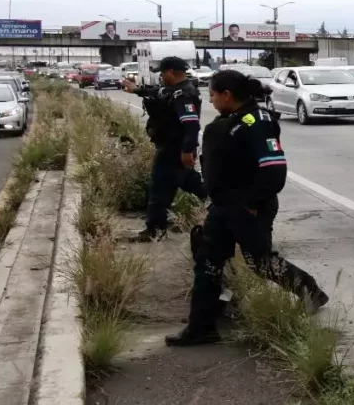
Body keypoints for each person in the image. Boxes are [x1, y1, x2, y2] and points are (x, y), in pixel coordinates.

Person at [166, 70, 328, 346]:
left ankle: (309, 290)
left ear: (227, 95)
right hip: (224, 206)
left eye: (213, 95)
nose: (212, 100)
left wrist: (253, 203)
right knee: (208, 260)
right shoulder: (236, 119)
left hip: (246, 206)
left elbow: (274, 169)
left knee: (260, 262)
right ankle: (201, 326)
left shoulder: (256, 121)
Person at [122, 56, 206, 241]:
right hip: (172, 148)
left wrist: (186, 150)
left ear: (171, 72)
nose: (160, 75)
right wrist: (136, 89)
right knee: (185, 182)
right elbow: (156, 92)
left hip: (174, 150)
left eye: (162, 72)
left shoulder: (183, 94)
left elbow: (192, 126)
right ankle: (215, 198)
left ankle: (154, 230)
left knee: (159, 188)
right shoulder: (173, 90)